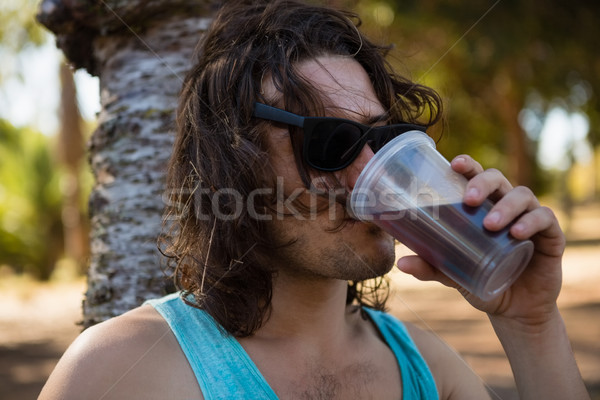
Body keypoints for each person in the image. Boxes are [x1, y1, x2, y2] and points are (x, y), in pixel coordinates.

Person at [40, 1, 589, 399]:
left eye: (380, 140)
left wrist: (531, 324)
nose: (368, 172)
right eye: (328, 143)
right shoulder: (123, 373)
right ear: (230, 167)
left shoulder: (426, 371)